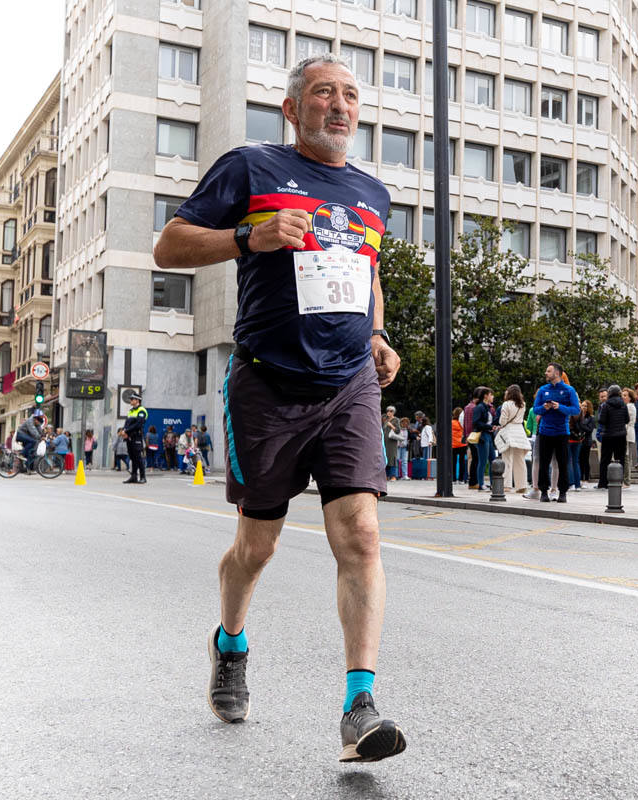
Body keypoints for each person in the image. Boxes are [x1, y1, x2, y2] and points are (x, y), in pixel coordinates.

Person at [152, 52, 406, 760]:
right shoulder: (251, 167)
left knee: (361, 535)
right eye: (324, 93)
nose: (340, 105)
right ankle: (230, 642)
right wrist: (246, 237)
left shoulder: (371, 193)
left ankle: (360, 705)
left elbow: (368, 271)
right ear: (292, 109)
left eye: (351, 95)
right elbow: (169, 245)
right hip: (267, 381)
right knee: (256, 547)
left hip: (349, 381)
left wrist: (378, 333)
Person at [531, 363, 580, 503]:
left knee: (562, 463)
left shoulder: (569, 390)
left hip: (562, 432)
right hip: (545, 431)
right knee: (543, 463)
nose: (546, 373)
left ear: (557, 373)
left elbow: (576, 410)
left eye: (549, 371)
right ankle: (543, 492)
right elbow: (535, 410)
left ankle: (562, 492)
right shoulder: (542, 390)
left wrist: (560, 407)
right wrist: (544, 407)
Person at [495, 384, 529, 494]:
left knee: (507, 459)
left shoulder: (506, 404)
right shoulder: (523, 404)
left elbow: (502, 421)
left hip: (509, 432)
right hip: (520, 432)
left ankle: (507, 485)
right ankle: (521, 485)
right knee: (520, 460)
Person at [595, 385, 629, 488]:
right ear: (619, 393)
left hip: (608, 435)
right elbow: (627, 420)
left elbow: (601, 420)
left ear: (609, 393)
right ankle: (618, 481)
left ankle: (603, 483)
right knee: (620, 459)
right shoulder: (623, 404)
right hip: (621, 436)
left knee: (605, 460)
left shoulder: (606, 405)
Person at [469, 387, 495, 490]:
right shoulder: (479, 407)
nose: (492, 397)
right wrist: (490, 427)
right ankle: (481, 484)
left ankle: (493, 484)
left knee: (492, 460)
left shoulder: (487, 408)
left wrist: (493, 426)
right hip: (482, 436)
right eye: (491, 395)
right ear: (486, 396)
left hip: (488, 435)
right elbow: (476, 422)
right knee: (483, 461)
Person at [123, 394, 148, 484]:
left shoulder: (142, 410)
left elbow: (138, 424)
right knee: (132, 457)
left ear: (137, 400)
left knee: (138, 457)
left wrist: (126, 430)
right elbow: (127, 423)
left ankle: (143, 477)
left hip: (137, 436)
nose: (130, 401)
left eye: (132, 399)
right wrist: (124, 432)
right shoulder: (130, 411)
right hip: (129, 437)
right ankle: (134, 477)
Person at [575, 400, 595, 487]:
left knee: (585, 460)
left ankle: (586, 479)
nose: (583, 407)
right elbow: (577, 427)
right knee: (579, 460)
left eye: (585, 406)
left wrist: (582, 426)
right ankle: (579, 478)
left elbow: (589, 430)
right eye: (582, 405)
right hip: (578, 440)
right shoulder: (578, 417)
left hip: (587, 441)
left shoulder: (591, 418)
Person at [622, 388, 637, 487]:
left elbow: (627, 421)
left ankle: (627, 481)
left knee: (626, 457)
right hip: (627, 432)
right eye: (622, 395)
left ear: (630, 398)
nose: (623, 397)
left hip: (627, 433)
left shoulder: (629, 406)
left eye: (625, 395)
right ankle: (626, 480)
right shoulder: (628, 406)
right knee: (626, 457)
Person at [383, 408, 401, 480]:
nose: (389, 412)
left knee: (392, 458)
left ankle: (393, 476)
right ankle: (386, 476)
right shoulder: (385, 420)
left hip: (392, 442)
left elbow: (398, 431)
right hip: (385, 442)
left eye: (391, 411)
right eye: (387, 411)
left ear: (393, 412)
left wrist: (391, 426)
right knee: (386, 458)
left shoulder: (396, 420)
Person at [450, 407, 467, 482]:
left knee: (453, 462)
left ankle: (453, 478)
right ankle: (461, 479)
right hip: (462, 444)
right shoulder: (462, 423)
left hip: (453, 444)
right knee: (462, 461)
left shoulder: (451, 422)